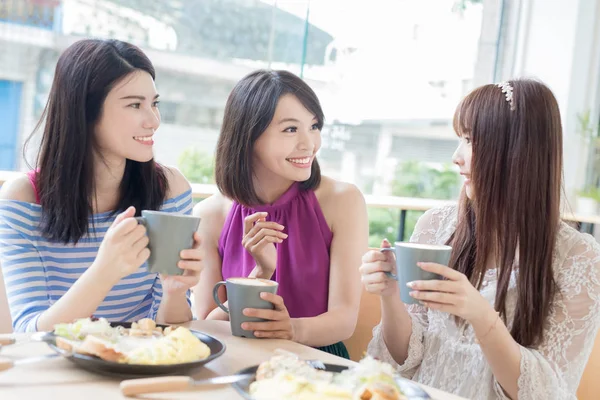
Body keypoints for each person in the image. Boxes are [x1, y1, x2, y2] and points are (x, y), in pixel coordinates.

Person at [360, 79, 600, 399]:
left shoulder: (579, 258)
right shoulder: (437, 226)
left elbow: (546, 392)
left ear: (517, 152)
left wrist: (482, 316)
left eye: (470, 140)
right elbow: (405, 359)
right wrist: (389, 293)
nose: (456, 157)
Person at [0, 39, 202, 333]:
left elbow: (171, 330)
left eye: (154, 103)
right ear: (85, 111)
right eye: (135, 104)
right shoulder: (24, 199)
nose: (154, 120)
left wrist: (174, 291)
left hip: (142, 366)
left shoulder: (170, 189)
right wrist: (105, 271)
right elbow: (30, 333)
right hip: (61, 369)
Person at [192, 70, 368, 358]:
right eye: (290, 129)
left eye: (314, 126)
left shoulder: (342, 201)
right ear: (247, 136)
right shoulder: (211, 215)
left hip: (315, 360)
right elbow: (207, 326)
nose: (309, 143)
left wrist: (292, 330)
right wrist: (260, 274)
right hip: (234, 357)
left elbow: (344, 320)